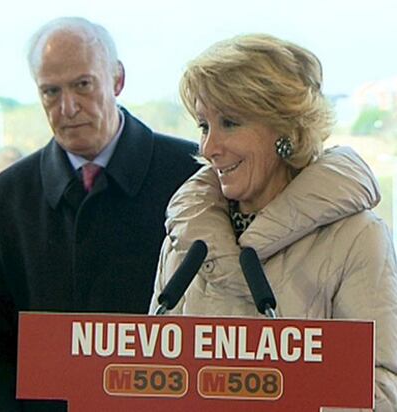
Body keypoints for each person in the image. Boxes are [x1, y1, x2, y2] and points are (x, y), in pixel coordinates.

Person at [150, 34, 397, 410]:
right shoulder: (184, 236)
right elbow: (145, 369)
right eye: (204, 126)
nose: (208, 147)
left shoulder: (357, 237)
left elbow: (380, 389)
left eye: (229, 122)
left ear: (285, 131)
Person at [0, 17, 199, 412]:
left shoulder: (192, 177)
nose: (67, 108)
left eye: (83, 85)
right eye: (51, 91)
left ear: (116, 80)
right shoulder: (4, 199)